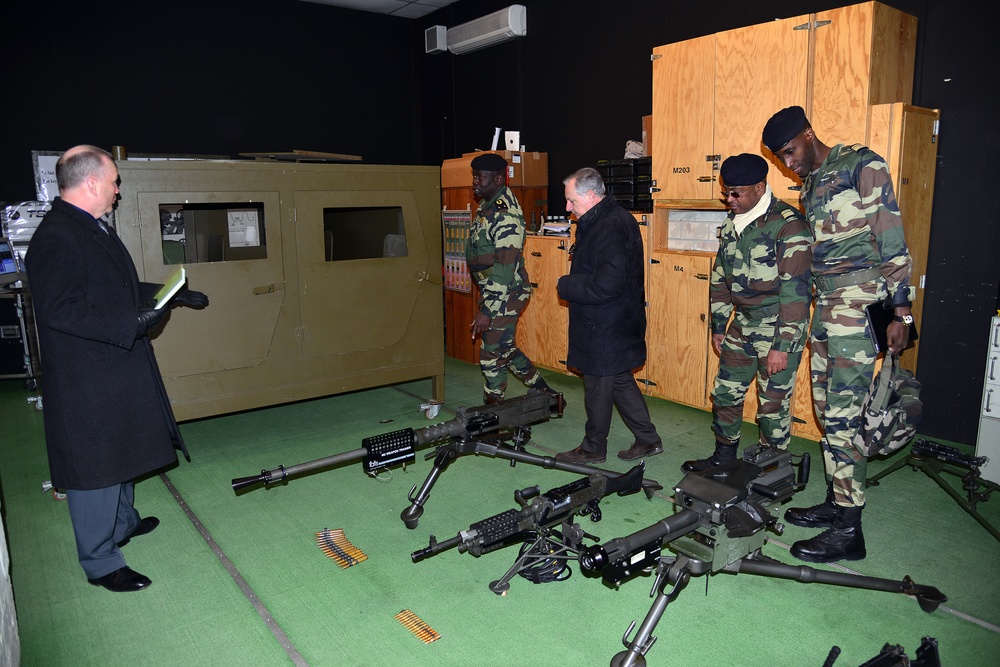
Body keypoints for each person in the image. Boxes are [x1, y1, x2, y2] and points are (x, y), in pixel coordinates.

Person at [26, 145, 208, 592]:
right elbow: (61, 310)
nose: (118, 190)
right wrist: (133, 321)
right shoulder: (57, 236)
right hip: (87, 377)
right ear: (91, 183)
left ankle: (122, 522)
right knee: (96, 468)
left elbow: (113, 288)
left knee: (120, 449)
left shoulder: (88, 228)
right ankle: (101, 562)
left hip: (110, 368)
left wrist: (167, 294)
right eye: (114, 181)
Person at [762, 106, 913, 563]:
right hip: (826, 308)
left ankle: (850, 531)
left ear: (809, 135)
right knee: (829, 413)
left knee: (847, 419)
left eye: (790, 151)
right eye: (780, 158)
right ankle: (837, 501)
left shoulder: (861, 164)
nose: (789, 164)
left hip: (860, 305)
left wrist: (902, 313)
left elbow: (891, 238)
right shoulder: (810, 182)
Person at [681, 154, 812, 473]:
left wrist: (782, 347)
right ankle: (724, 457)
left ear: (760, 187)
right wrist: (717, 326)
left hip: (780, 327)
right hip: (742, 325)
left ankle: (774, 468)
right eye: (727, 192)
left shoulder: (788, 224)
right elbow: (720, 277)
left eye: (736, 192)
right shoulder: (732, 222)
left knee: (772, 405)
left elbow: (796, 294)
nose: (729, 199)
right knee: (725, 392)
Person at [554, 168, 662, 464]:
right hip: (614, 321)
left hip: (605, 325)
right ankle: (648, 440)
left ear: (590, 196)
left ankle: (592, 448)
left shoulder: (610, 225)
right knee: (619, 382)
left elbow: (605, 284)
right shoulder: (603, 219)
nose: (567, 208)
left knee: (598, 386)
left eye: (571, 201)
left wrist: (566, 284)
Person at [466, 152, 555, 404]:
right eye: (474, 177)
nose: (475, 182)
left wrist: (488, 310)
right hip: (495, 289)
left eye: (480, 177)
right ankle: (546, 393)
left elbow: (505, 268)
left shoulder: (505, 214)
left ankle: (493, 406)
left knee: (491, 350)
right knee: (504, 347)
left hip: (507, 290)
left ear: (497, 178)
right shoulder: (489, 204)